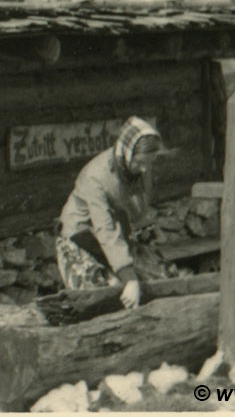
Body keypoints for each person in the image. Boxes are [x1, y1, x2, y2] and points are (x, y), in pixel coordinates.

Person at [56, 117, 164, 309]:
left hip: (112, 240)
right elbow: (105, 227)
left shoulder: (133, 168)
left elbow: (135, 209)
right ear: (127, 152)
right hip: (80, 240)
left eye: (151, 162)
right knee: (102, 297)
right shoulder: (95, 177)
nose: (146, 168)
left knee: (156, 279)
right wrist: (128, 278)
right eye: (141, 162)